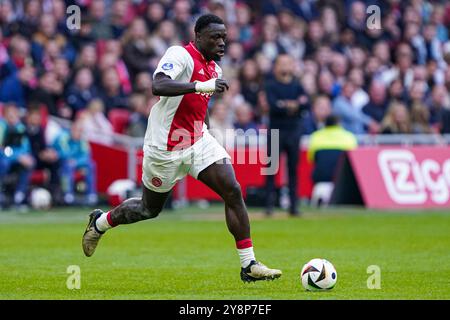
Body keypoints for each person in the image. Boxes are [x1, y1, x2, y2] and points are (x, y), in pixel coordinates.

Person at [82, 14, 282, 282]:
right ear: (198, 37)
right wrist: (201, 85)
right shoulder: (180, 55)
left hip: (198, 141)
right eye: (215, 37)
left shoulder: (215, 69)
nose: (222, 42)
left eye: (224, 37)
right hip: (165, 147)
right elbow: (158, 85)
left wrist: (207, 128)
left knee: (232, 190)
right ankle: (101, 222)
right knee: (148, 209)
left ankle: (249, 265)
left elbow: (200, 104)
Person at [264, 54, 308, 216]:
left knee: (293, 169)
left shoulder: (297, 85)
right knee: (271, 169)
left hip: (293, 130)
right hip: (276, 131)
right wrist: (294, 105)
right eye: (281, 63)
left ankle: (293, 206)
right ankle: (269, 205)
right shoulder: (270, 85)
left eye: (288, 63)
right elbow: (274, 106)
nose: (285, 67)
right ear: (276, 67)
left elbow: (306, 104)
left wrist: (285, 105)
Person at [0, 103, 34, 207]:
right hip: (4, 158)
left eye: (15, 114)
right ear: (5, 114)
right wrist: (17, 156)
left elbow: (25, 147)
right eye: (10, 114)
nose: (13, 116)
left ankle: (19, 195)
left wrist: (24, 157)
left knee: (30, 162)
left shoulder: (20, 128)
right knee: (4, 163)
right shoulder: (1, 126)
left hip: (17, 159)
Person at [307, 115, 357, 185]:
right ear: (339, 124)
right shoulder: (349, 137)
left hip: (321, 178)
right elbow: (354, 161)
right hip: (343, 179)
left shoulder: (315, 136)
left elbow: (311, 159)